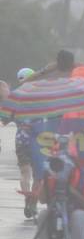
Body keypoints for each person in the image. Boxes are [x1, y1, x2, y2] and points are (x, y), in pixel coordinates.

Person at [14, 68, 39, 219]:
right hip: (38, 140)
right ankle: (34, 205)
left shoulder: (16, 97)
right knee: (37, 175)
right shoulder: (41, 96)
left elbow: (9, 114)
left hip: (21, 139)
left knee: (25, 174)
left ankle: (26, 200)